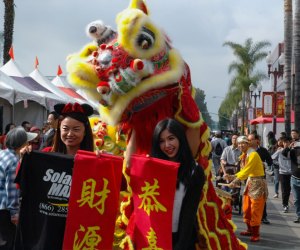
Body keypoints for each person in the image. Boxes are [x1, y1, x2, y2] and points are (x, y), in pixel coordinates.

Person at [151, 118, 205, 249]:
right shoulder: (152, 167)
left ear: (180, 138)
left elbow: (189, 213)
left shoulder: (194, 171)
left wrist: (180, 246)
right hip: (153, 237)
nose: (167, 145)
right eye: (161, 141)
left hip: (180, 239)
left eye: (171, 138)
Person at [0, 127, 37, 250]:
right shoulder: (14, 161)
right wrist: (15, 214)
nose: (29, 144)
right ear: (21, 144)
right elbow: (12, 189)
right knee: (7, 242)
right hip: (5, 210)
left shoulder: (2, 153)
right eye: (27, 142)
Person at [226, 136, 268, 242]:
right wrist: (233, 176)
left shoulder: (252, 154)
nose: (240, 145)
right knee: (246, 208)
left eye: (243, 143)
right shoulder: (245, 154)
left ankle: (255, 233)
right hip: (250, 183)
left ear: (248, 144)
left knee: (255, 209)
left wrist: (235, 181)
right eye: (239, 143)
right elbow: (244, 171)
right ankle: (249, 230)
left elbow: (247, 171)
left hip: (257, 184)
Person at [248, 133, 272, 225]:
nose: (249, 141)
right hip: (249, 178)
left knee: (261, 198)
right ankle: (251, 216)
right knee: (249, 198)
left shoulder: (263, 151)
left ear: (257, 140)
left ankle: (263, 216)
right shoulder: (247, 151)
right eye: (248, 140)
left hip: (260, 178)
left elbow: (270, 162)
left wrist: (263, 164)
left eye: (251, 139)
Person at [282, 134, 300, 223]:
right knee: (296, 200)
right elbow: (284, 153)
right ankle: (299, 216)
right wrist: (289, 147)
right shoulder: (293, 151)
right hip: (294, 178)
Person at [271, 136, 292, 213]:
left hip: (291, 173)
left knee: (289, 190)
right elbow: (272, 158)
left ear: (290, 143)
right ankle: (285, 205)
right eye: (285, 142)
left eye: (287, 142)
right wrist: (279, 164)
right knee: (284, 190)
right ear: (283, 143)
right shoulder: (280, 151)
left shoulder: (292, 151)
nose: (286, 144)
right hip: (282, 173)